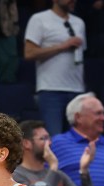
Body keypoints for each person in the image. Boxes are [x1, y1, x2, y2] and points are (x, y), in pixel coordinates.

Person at [23, 0, 87, 136]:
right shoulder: (39, 19)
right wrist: (62, 46)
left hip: (76, 90)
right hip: (51, 90)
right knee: (54, 139)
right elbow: (29, 53)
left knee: (77, 140)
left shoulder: (79, 23)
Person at [13, 120, 94, 186]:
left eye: (49, 138)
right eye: (43, 138)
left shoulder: (58, 174)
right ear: (26, 144)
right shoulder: (15, 176)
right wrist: (53, 166)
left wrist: (84, 171)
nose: (49, 143)